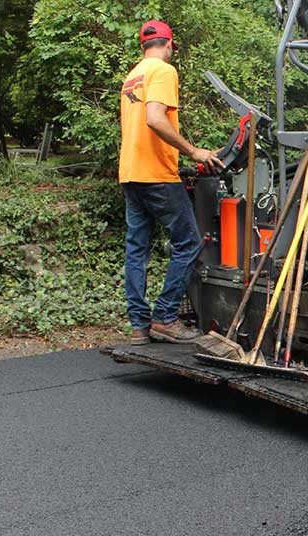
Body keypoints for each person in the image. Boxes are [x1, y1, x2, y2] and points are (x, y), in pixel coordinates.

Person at [119, 20, 223, 345]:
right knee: (189, 241)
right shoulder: (163, 71)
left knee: (137, 249)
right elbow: (154, 118)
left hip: (130, 173)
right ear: (168, 45)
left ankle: (139, 326)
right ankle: (165, 317)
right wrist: (193, 151)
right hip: (156, 174)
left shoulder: (132, 76)